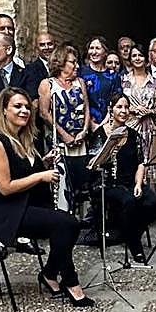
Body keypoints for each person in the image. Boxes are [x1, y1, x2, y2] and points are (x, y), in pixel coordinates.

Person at [0, 87, 93, 307]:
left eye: (26, 107)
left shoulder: (22, 139)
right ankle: (71, 283)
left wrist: (43, 163)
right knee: (64, 223)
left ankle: (50, 273)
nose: (24, 111)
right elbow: (5, 187)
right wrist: (40, 176)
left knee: (70, 223)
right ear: (4, 110)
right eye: (17, 106)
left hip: (24, 204)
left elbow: (21, 171)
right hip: (4, 211)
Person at [91, 94, 156, 263]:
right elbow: (92, 163)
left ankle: (130, 232)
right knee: (129, 201)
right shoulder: (100, 134)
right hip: (108, 183)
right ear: (111, 110)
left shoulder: (133, 134)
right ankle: (135, 245)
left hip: (130, 182)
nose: (123, 111)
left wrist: (138, 184)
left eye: (126, 107)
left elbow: (140, 163)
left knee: (154, 201)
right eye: (119, 107)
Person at [39, 44, 91, 206]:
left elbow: (87, 108)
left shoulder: (80, 82)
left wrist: (84, 131)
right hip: (59, 142)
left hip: (80, 141)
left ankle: (82, 217)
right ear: (60, 63)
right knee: (62, 183)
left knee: (82, 183)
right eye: (72, 62)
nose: (77, 66)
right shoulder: (47, 84)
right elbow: (44, 113)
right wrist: (64, 135)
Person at [121, 43, 156, 191]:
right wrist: (132, 109)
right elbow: (116, 105)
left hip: (149, 131)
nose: (137, 58)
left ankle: (151, 198)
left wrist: (149, 111)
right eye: (134, 55)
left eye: (140, 55)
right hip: (129, 128)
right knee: (130, 163)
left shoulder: (155, 83)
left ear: (146, 58)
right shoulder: (123, 81)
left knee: (151, 165)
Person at [80, 36, 123, 125]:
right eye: (91, 48)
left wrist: (103, 125)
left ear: (105, 52)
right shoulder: (81, 72)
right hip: (84, 123)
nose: (94, 52)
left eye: (97, 48)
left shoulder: (113, 76)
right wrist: (91, 124)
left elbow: (116, 102)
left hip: (107, 124)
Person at [21, 32, 54, 99]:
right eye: (42, 45)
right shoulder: (30, 70)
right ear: (36, 49)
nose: (47, 47)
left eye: (49, 44)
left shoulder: (63, 67)